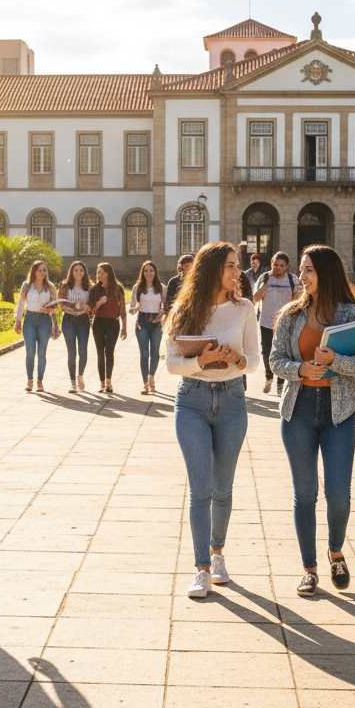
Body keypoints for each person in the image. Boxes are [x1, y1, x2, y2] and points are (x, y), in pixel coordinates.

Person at [270, 245, 355, 597]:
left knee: (338, 494)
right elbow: (275, 360)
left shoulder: (353, 313)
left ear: (327, 273)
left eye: (309, 270)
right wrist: (300, 368)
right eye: (302, 269)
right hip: (298, 411)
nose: (302, 276)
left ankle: (336, 552)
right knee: (305, 494)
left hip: (339, 412)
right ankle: (309, 569)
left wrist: (334, 361)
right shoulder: (291, 315)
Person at [165, 242, 260, 598]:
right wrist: (201, 361)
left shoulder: (244, 308)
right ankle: (202, 569)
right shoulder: (185, 309)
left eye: (237, 266)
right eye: (231, 266)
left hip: (233, 399)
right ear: (212, 270)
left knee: (223, 487)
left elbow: (255, 359)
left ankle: (217, 553)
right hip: (192, 400)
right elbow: (172, 363)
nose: (238, 273)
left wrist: (236, 359)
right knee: (201, 489)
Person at [253, 251, 300, 396]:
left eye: (281, 265)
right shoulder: (264, 277)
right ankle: (269, 377)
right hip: (266, 322)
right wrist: (265, 286)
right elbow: (255, 298)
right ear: (271, 264)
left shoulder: (292, 279)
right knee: (266, 352)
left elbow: (299, 300)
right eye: (275, 264)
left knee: (283, 353)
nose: (278, 268)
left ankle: (280, 383)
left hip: (285, 323)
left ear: (287, 266)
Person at [14, 260, 60, 392]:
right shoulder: (27, 285)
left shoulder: (50, 286)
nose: (43, 273)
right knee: (30, 352)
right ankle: (30, 381)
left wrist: (53, 317)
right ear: (34, 272)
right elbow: (21, 303)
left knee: (42, 352)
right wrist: (18, 320)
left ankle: (40, 381)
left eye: (44, 270)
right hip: (30, 319)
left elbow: (55, 305)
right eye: (40, 270)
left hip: (45, 320)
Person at [90, 262, 127, 393]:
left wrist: (124, 327)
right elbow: (92, 310)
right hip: (98, 323)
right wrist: (99, 303)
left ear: (108, 273)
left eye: (101, 272)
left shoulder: (118, 289)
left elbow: (122, 310)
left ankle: (109, 382)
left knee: (109, 352)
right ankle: (102, 383)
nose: (98, 275)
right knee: (100, 352)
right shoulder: (95, 289)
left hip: (113, 324)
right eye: (97, 272)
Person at [129, 260, 164, 394]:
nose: (148, 273)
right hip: (142, 322)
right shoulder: (137, 287)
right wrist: (135, 309)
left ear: (155, 272)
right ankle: (145, 383)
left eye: (151, 270)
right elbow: (131, 308)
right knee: (144, 354)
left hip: (156, 322)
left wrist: (161, 314)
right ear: (142, 273)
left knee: (155, 353)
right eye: (146, 271)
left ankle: (151, 377)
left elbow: (166, 306)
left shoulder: (162, 288)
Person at [58, 261, 93, 393]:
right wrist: (75, 307)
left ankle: (80, 376)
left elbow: (92, 305)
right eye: (76, 270)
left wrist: (87, 307)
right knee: (71, 352)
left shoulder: (89, 287)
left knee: (83, 352)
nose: (78, 273)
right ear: (71, 272)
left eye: (81, 270)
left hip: (83, 321)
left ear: (85, 272)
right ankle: (72, 382)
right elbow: (61, 304)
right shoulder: (65, 286)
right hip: (68, 321)